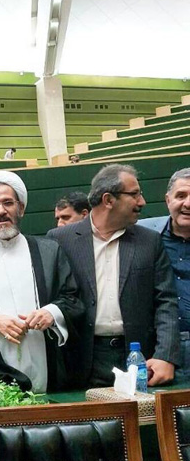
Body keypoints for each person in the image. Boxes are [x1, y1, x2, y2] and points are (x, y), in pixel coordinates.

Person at [0, 171, 83, 392]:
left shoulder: (49, 252)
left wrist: (52, 313)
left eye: (8, 203)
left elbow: (74, 300)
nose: (1, 211)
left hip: (50, 370)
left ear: (20, 208)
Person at [48, 163, 179, 388]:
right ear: (108, 200)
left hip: (139, 360)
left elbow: (165, 301)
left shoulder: (150, 241)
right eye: (134, 194)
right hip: (79, 362)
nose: (142, 202)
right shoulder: (60, 240)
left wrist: (165, 355)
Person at [139, 168, 190, 383]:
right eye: (181, 195)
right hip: (157, 353)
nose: (188, 203)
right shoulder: (142, 236)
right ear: (168, 200)